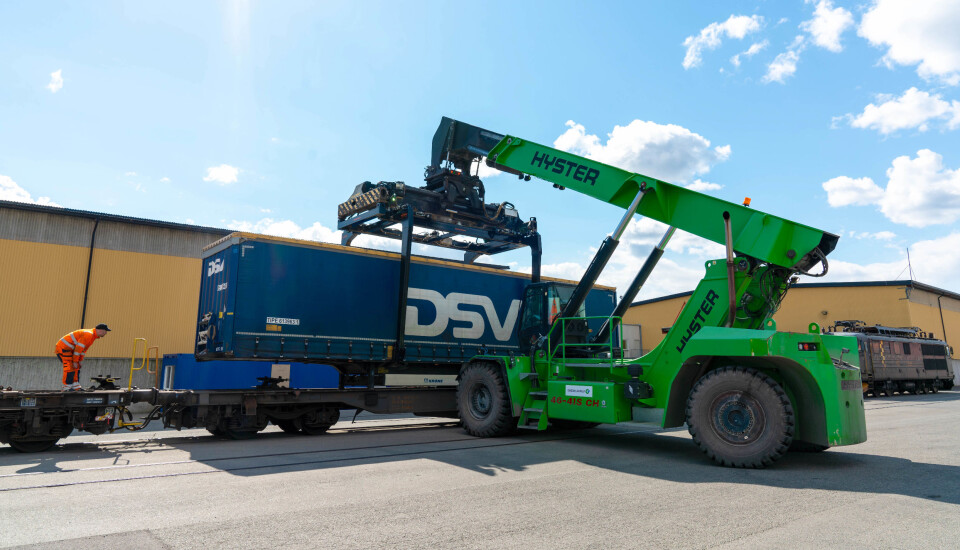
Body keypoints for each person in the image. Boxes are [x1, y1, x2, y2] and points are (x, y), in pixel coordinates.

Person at [56, 324, 111, 391]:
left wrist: (79, 361)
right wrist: (75, 361)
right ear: (100, 330)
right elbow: (78, 349)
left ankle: (76, 386)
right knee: (69, 367)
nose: (106, 333)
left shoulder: (92, 336)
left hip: (69, 349)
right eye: (105, 331)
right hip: (64, 348)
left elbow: (83, 350)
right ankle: (67, 388)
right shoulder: (89, 335)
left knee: (76, 367)